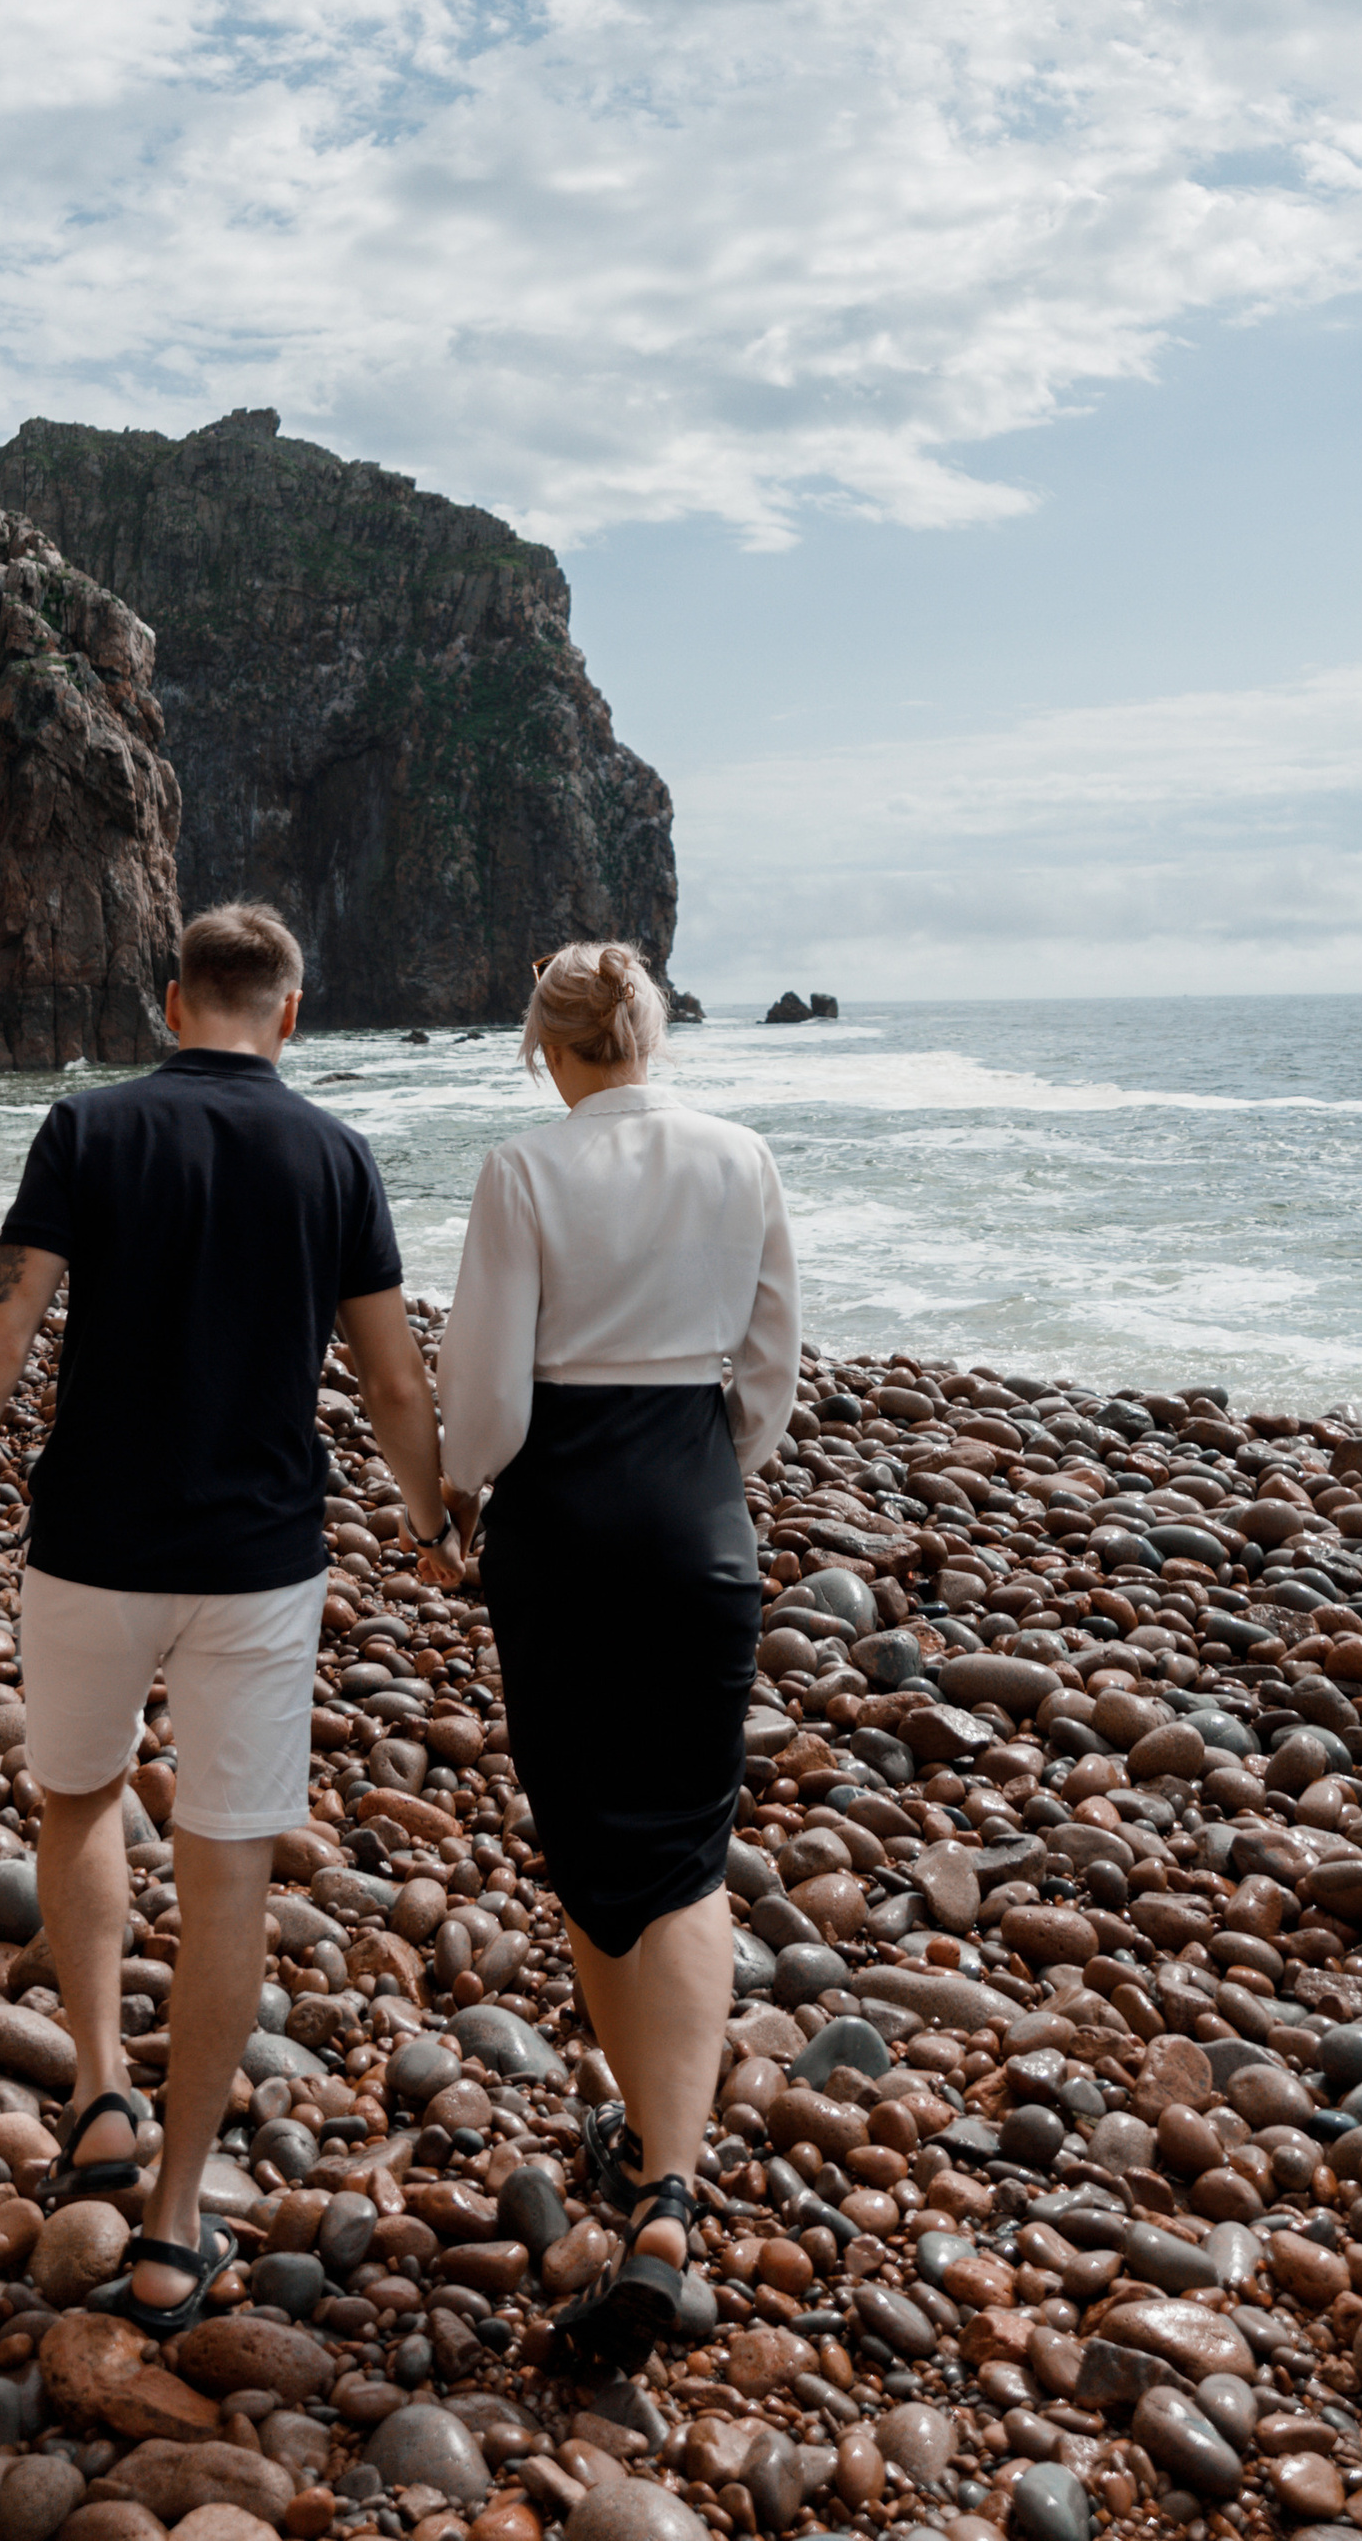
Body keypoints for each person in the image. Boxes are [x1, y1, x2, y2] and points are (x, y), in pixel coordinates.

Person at [0, 900, 456, 2334]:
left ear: (172, 1001)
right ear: (291, 1013)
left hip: (91, 1549)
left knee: (78, 1800)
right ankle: (178, 2218)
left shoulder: (88, 1128)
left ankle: (98, 2090)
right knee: (230, 1870)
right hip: (259, 1563)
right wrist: (437, 1523)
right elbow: (390, 1382)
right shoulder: (337, 1155)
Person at [436, 939, 799, 2371]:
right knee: (690, 1850)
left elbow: (486, 1392)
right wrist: (711, 1483)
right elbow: (768, 1366)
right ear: (648, 1030)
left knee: (590, 1840)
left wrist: (460, 1493)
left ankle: (655, 2160)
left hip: (566, 1523)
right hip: (695, 1508)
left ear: (546, 1046)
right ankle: (668, 2184)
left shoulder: (523, 1169)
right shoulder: (742, 1157)